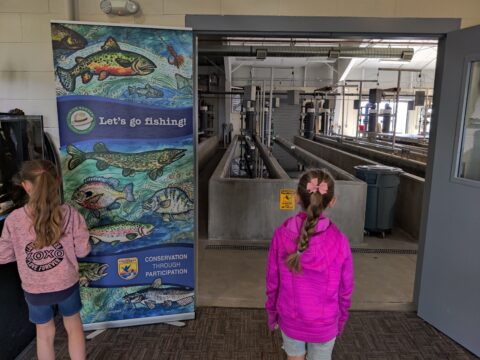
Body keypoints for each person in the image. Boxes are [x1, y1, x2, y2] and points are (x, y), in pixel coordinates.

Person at [0, 160, 90, 360]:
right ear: (57, 182)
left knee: (44, 335)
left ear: (25, 186)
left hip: (35, 289)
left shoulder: (13, 220)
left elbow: (3, 256)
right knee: (74, 327)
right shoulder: (71, 214)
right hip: (67, 284)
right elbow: (83, 251)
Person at [266, 169, 354, 360]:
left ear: (297, 197)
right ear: (332, 202)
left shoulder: (281, 236)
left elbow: (273, 283)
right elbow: (345, 290)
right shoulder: (340, 241)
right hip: (325, 324)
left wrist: (272, 314)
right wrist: (340, 320)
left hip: (290, 319)